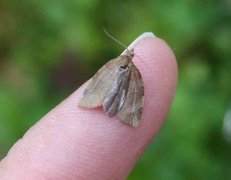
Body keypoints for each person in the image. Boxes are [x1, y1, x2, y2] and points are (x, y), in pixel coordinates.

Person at [0, 34, 177, 179]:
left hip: (110, 77)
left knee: (109, 88)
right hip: (123, 83)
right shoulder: (134, 74)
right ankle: (118, 110)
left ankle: (102, 103)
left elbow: (100, 78)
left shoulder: (112, 65)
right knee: (122, 92)